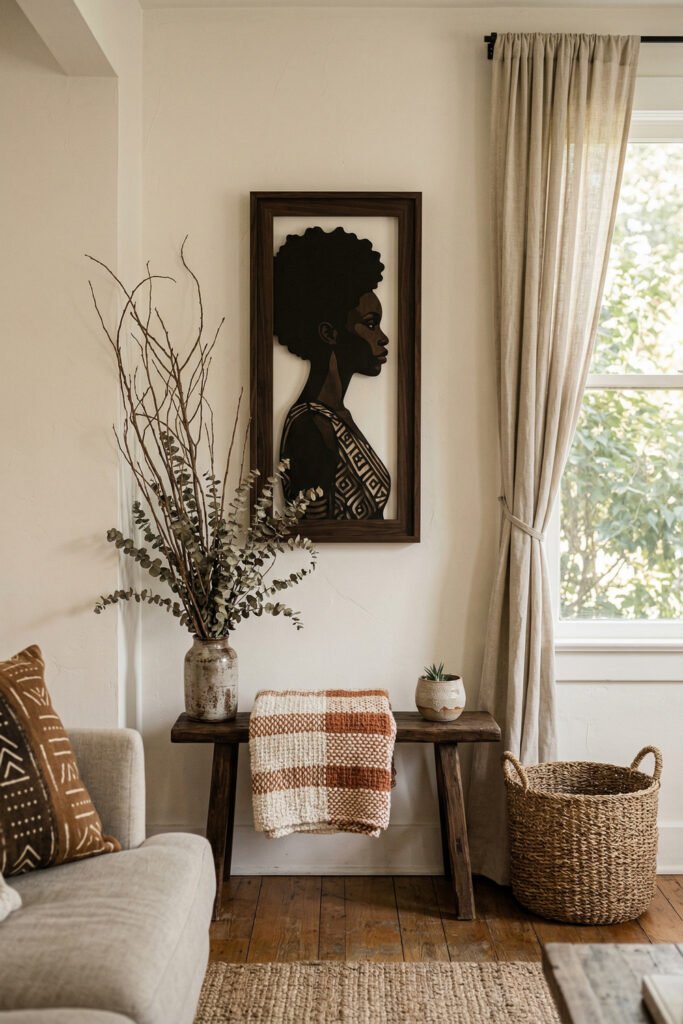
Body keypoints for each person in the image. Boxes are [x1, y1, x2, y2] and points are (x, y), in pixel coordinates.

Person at [274, 226, 391, 520]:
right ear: (329, 333)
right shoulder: (310, 428)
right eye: (371, 323)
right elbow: (313, 534)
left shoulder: (333, 416)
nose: (383, 338)